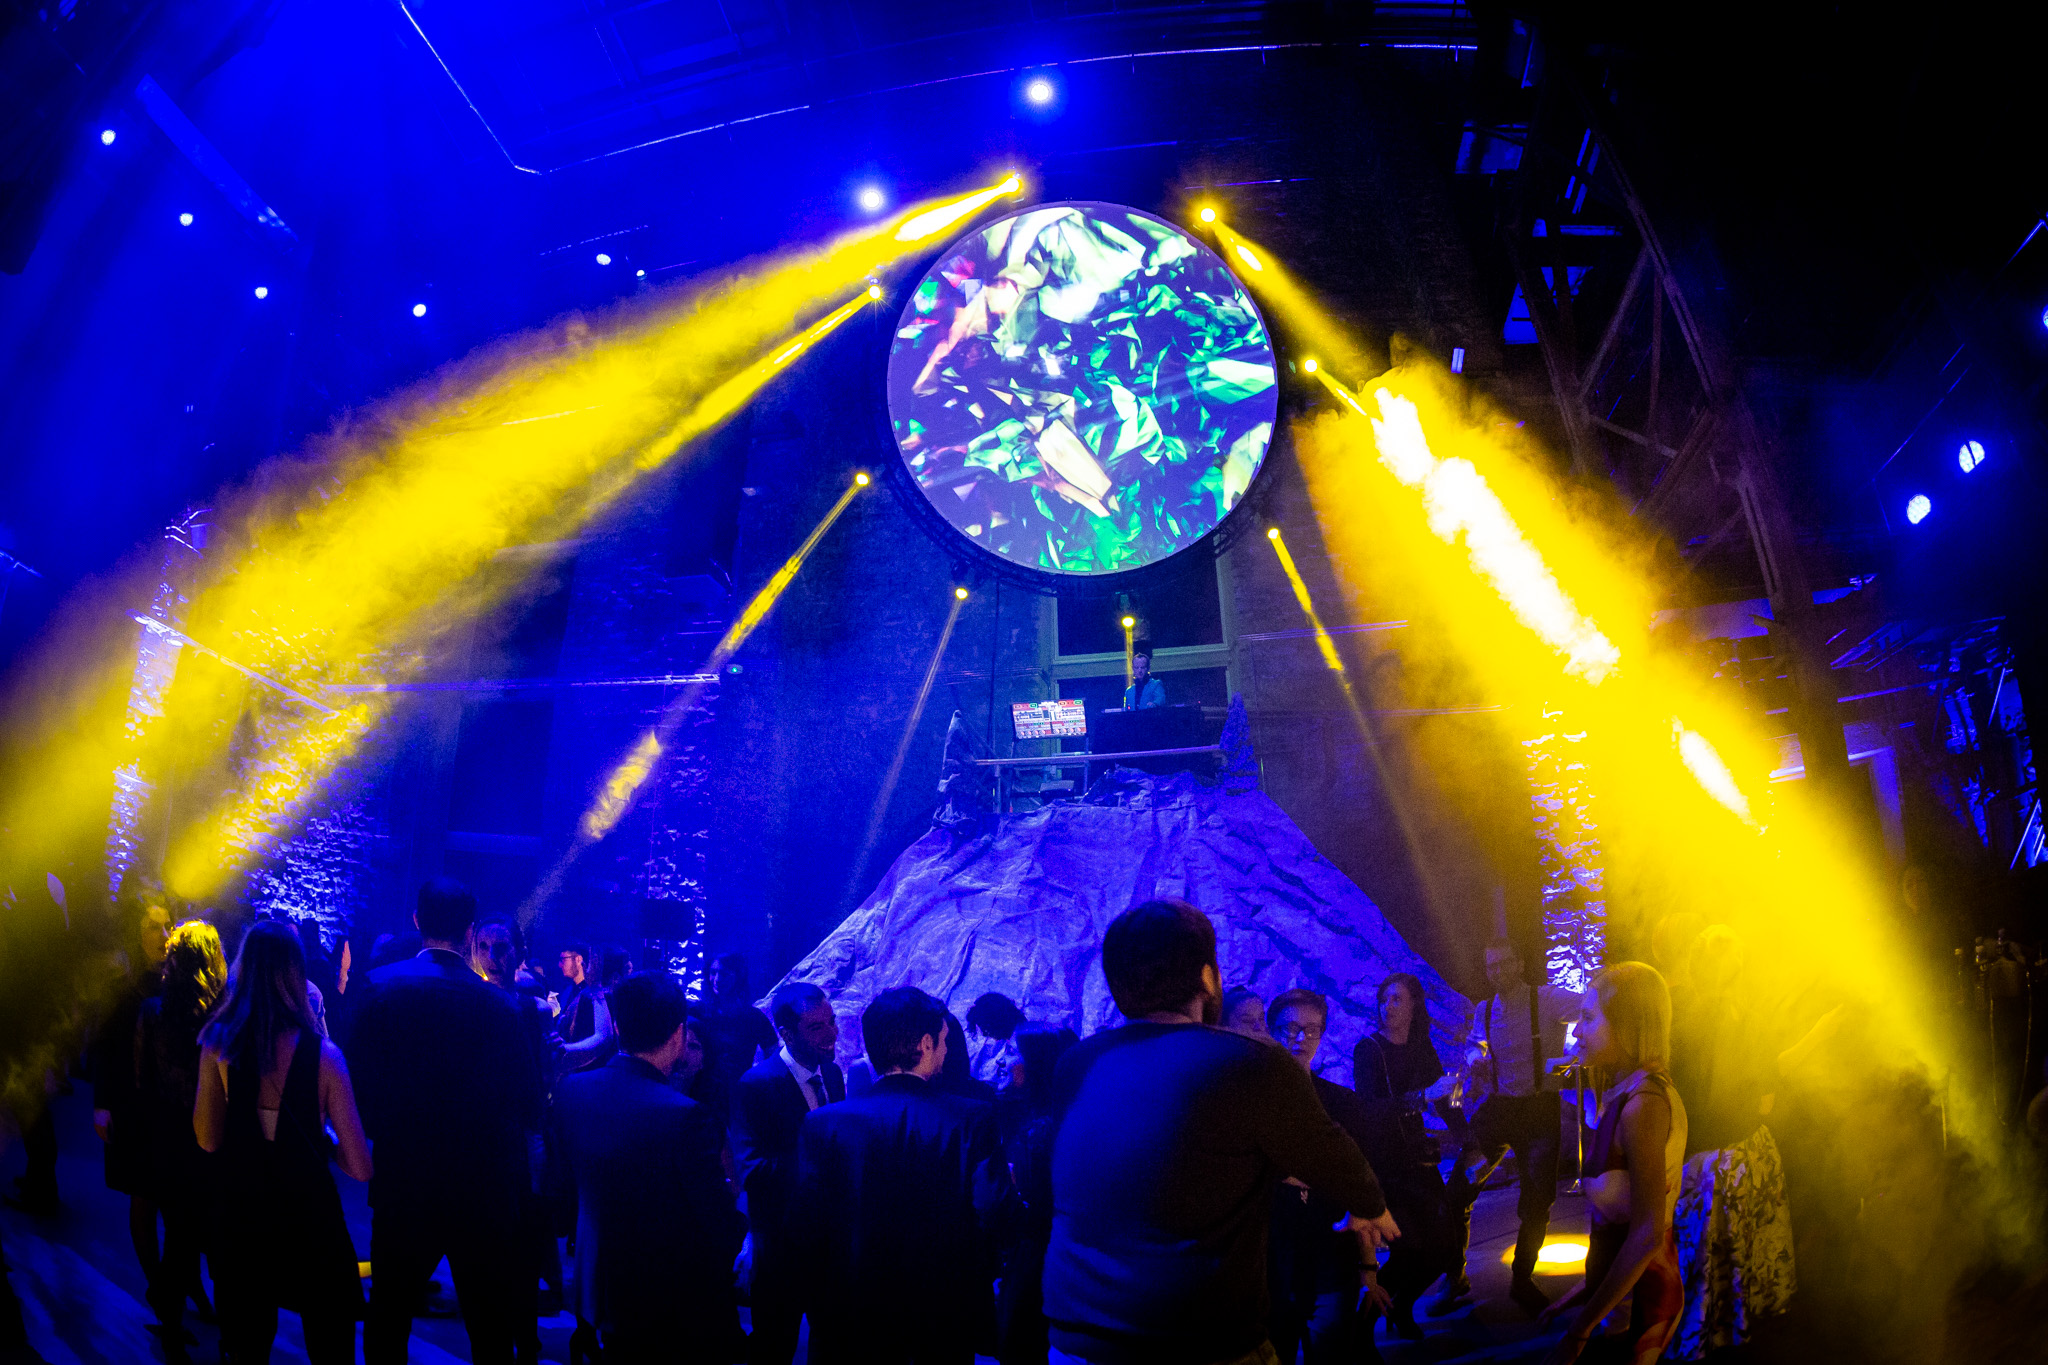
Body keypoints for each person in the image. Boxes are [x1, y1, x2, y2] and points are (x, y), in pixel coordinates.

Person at [1044, 899, 1397, 1365]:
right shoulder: (1250, 1062)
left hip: (1076, 1339)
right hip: (1201, 1339)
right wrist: (1372, 1205)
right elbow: (1333, 1158)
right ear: (1208, 977)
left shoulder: (1076, 1064)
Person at [344, 877, 546, 1365]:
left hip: (404, 1179)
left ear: (417, 921)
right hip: (482, 1186)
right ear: (470, 931)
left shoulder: (378, 986)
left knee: (388, 1319)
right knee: (489, 1329)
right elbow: (527, 1101)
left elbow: (355, 1086)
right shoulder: (500, 1004)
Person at [792, 987, 1010, 1362]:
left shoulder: (823, 1124)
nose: (947, 1051)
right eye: (944, 1040)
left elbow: (806, 1225)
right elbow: (993, 1210)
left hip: (851, 1308)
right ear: (925, 1044)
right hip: (943, 1310)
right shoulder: (972, 1118)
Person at [195, 921, 373, 1363]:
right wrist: (320, 1139)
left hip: (243, 1220)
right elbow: (360, 1167)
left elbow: (208, 1139)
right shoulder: (325, 1057)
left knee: (246, 1349)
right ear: (296, 974)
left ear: (243, 970)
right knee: (331, 1350)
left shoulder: (217, 1045)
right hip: (310, 1223)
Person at [552, 972, 744, 1363]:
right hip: (667, 1300)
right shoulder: (686, 1116)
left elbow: (561, 1189)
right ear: (679, 1034)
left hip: (595, 1284)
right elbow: (716, 1222)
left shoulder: (572, 1090)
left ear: (617, 1027)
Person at [1538, 962, 1688, 1365]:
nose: (1577, 1032)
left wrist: (1578, 1331)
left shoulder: (1644, 1105)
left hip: (1640, 1304)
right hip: (1619, 1299)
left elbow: (1646, 1235)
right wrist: (1583, 1294)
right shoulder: (1624, 1091)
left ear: (1627, 1026)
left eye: (1588, 1018)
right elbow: (1617, 1231)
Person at [1434, 940, 1576, 1317]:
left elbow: (1592, 1007)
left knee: (1537, 1202)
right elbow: (1475, 1043)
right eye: (1491, 966)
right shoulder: (1486, 1008)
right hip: (1499, 1109)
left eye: (1504, 964)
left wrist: (1577, 1054)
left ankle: (1522, 1278)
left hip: (1539, 1109)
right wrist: (1475, 1057)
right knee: (1457, 1192)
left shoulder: (1548, 999)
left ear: (1520, 963)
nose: (1497, 972)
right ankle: (1455, 1277)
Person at [1262, 988, 1395, 1363]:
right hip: (1272, 1270)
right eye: (1290, 1028)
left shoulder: (1341, 1103)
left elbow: (1359, 1188)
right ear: (1271, 1030)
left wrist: (1368, 1269)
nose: (1301, 1038)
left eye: (1311, 1029)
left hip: (1331, 1266)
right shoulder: (1253, 1105)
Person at [730, 981, 845, 1365]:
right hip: (781, 1246)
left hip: (829, 1245)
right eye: (817, 1027)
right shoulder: (756, 1084)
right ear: (786, 1034)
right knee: (773, 1347)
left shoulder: (832, 1074)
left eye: (831, 1021)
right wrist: (821, 1160)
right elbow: (750, 1168)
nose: (832, 1033)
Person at [133, 919, 227, 1354]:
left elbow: (142, 1080)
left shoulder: (152, 1011)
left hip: (163, 1133)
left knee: (177, 1230)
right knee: (200, 1232)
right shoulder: (220, 1018)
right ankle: (191, 1314)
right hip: (208, 1137)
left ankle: (171, 1315)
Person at [1350, 975, 1457, 1342]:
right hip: (1387, 1165)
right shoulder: (1368, 1050)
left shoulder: (1421, 1045)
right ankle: (1362, 1330)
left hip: (1418, 1161)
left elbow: (1444, 1099)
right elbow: (1369, 1111)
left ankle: (1402, 1307)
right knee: (1408, 1249)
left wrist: (1469, 1139)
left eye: (1397, 999)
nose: (1388, 1006)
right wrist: (1421, 1096)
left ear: (1414, 1004)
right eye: (1384, 999)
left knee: (1444, 1248)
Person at [90, 903, 169, 1307]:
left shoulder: (172, 978)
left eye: (168, 925)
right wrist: (102, 1103)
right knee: (144, 1195)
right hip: (132, 1104)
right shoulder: (123, 981)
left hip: (166, 1108)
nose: (163, 935)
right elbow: (104, 1043)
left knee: (169, 1199)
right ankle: (159, 1286)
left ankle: (175, 1285)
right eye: (154, 926)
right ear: (137, 932)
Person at [996, 1023, 1078, 1365]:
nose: (1002, 1060)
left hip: (1040, 1257)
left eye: (1013, 1052)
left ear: (1038, 1062)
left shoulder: (1047, 1131)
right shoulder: (1027, 1117)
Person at [703, 953, 779, 1103]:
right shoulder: (699, 1014)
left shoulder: (754, 1018)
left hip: (739, 1095)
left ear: (738, 976)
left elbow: (774, 1057)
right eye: (713, 972)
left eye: (724, 973)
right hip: (702, 1093)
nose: (717, 979)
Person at [555, 943, 615, 1074]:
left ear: (578, 959)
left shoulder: (595, 996)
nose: (560, 965)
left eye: (563, 959)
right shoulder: (567, 992)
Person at [965, 991, 1026, 1090]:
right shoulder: (1015, 1038)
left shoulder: (1021, 1043)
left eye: (985, 1027)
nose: (984, 1034)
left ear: (996, 1021)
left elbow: (1019, 1087)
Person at [1122, 642, 1166, 710]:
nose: (1139, 670)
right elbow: (1126, 710)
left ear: (1148, 668)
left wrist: (1154, 704)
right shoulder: (1129, 691)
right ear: (1133, 668)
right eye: (1137, 667)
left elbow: (1160, 699)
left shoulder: (1156, 684)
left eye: (1142, 667)